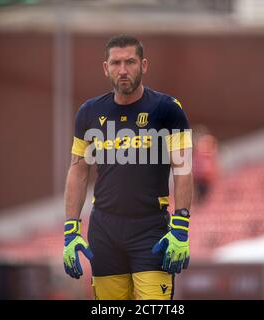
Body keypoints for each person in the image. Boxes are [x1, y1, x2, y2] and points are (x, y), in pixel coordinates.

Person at [62, 34, 193, 300]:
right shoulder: (88, 112)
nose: (123, 70)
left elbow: (183, 167)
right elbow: (78, 170)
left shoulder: (168, 109)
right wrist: (70, 229)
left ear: (144, 65)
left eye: (130, 62)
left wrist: (181, 225)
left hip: (150, 230)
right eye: (116, 63)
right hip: (104, 230)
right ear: (105, 68)